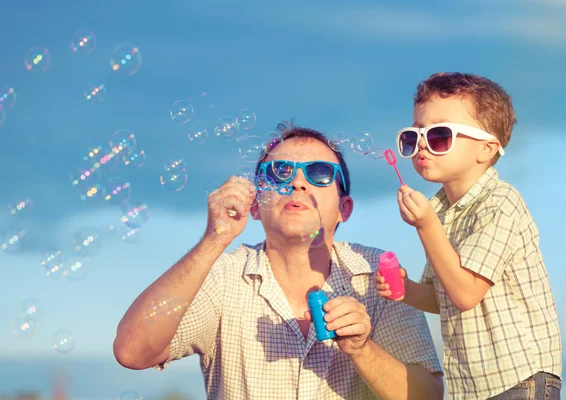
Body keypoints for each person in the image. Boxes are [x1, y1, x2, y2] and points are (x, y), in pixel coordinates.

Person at [113, 122, 444, 400]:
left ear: (345, 208)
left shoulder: (377, 275)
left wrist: (362, 349)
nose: (298, 182)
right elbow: (132, 351)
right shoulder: (222, 277)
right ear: (256, 206)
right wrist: (213, 240)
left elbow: (428, 395)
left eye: (319, 173)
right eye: (280, 172)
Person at [375, 72, 563, 399]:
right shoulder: (443, 211)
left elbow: (465, 294)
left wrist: (426, 226)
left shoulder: (501, 202)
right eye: (413, 135)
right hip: (475, 385)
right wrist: (404, 289)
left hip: (520, 379)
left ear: (486, 149)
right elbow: (442, 296)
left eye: (439, 136)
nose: (421, 144)